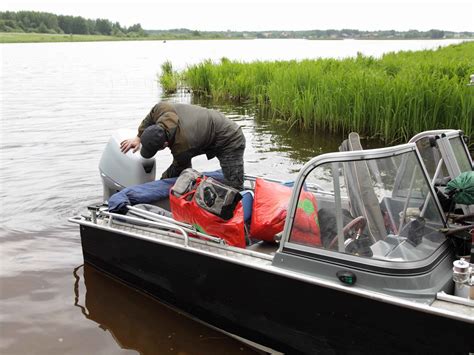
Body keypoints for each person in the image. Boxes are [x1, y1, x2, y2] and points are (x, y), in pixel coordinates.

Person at [121, 101, 246, 190]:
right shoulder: (161, 108)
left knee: (234, 187)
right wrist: (138, 137)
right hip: (211, 127)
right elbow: (149, 118)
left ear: (164, 144)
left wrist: (159, 183)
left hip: (230, 139)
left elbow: (182, 171)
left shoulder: (182, 145)